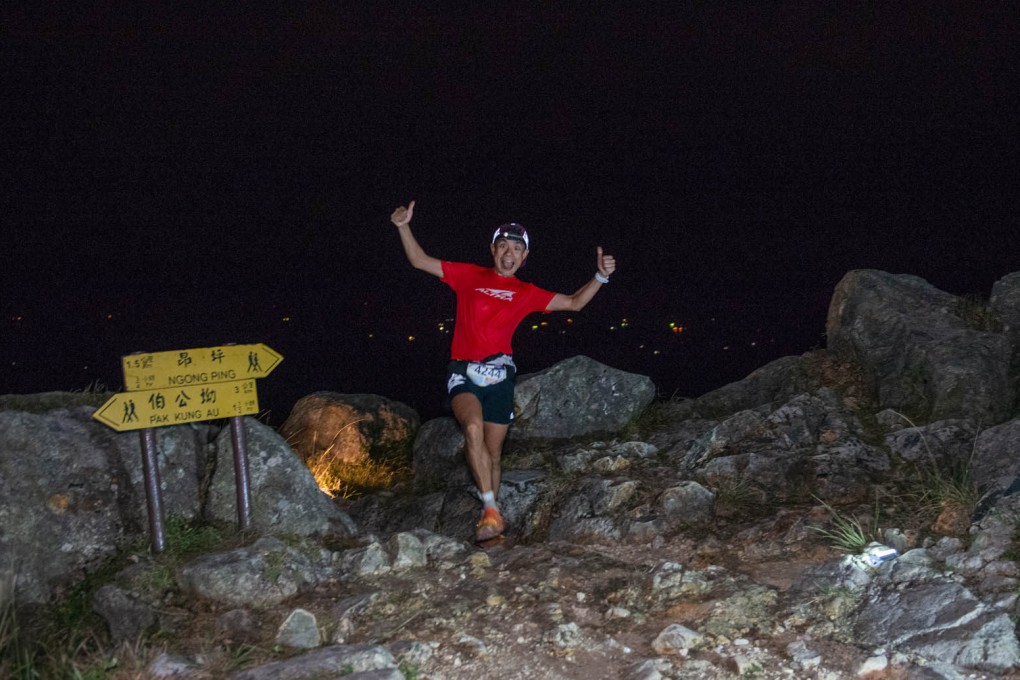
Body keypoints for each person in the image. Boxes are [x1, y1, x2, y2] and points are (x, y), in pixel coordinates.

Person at [390, 200, 616, 542]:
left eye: (517, 249)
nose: (509, 253)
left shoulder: (526, 293)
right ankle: (492, 510)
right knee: (472, 427)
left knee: (494, 453)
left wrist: (600, 276)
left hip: (500, 375)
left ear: (524, 258)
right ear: (493, 250)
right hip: (464, 371)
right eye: (503, 246)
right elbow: (419, 261)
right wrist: (403, 226)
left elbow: (574, 303)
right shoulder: (469, 276)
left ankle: (490, 517)